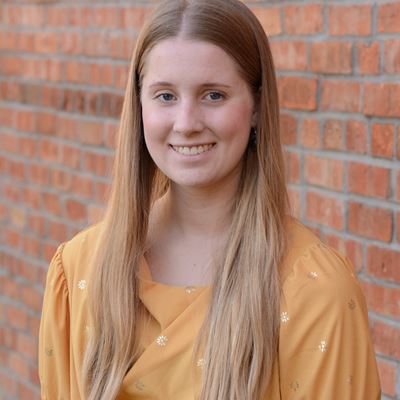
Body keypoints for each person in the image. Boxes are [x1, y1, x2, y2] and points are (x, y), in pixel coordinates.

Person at [38, 0, 381, 399]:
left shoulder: (313, 291)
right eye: (165, 96)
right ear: (139, 105)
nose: (186, 123)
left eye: (214, 95)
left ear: (256, 107)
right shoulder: (79, 270)